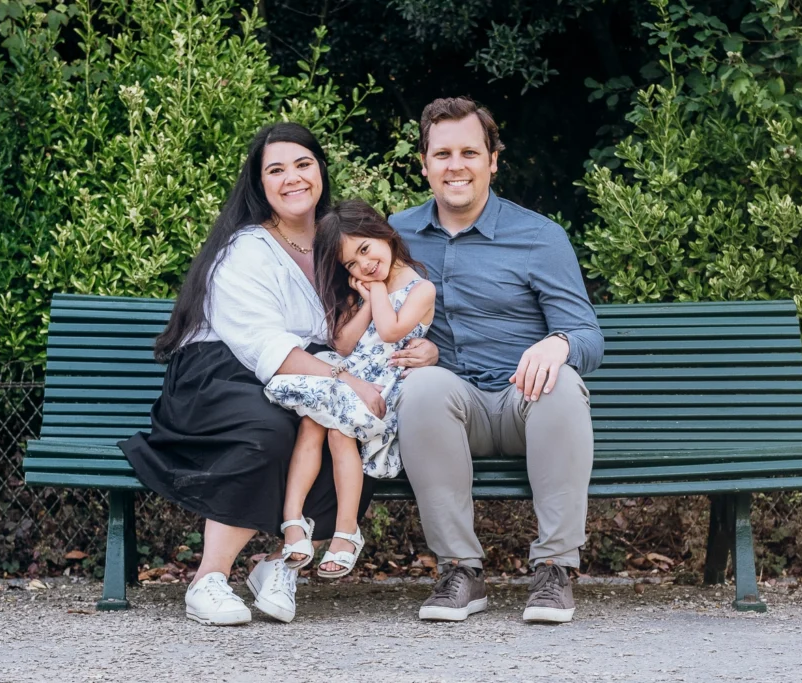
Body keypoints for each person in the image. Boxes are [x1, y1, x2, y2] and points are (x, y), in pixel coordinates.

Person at [120, 123, 439, 626]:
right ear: (259, 184)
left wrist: (425, 349)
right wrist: (344, 379)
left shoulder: (342, 245)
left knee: (354, 431)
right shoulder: (246, 249)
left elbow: (381, 322)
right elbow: (265, 347)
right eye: (276, 170)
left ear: (320, 170)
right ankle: (209, 577)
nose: (292, 178)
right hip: (220, 374)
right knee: (269, 431)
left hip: (306, 371)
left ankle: (277, 564)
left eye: (303, 164)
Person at [388, 96, 604, 624]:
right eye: (442, 154)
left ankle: (554, 570)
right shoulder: (395, 236)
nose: (455, 165)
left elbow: (587, 337)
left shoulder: (538, 237)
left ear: (493, 160)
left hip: (521, 402)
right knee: (421, 388)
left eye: (469, 152)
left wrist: (559, 344)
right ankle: (460, 571)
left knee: (562, 383)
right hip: (450, 407)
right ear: (424, 163)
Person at [264, 200, 435, 578]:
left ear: (383, 233)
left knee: (340, 433)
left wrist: (373, 292)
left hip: (379, 386)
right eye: (351, 265)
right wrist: (365, 299)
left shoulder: (420, 288)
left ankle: (346, 531)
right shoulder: (363, 291)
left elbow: (391, 332)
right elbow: (342, 344)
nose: (364, 266)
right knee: (312, 423)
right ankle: (293, 520)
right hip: (345, 374)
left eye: (364, 249)